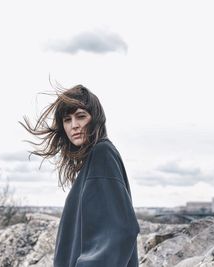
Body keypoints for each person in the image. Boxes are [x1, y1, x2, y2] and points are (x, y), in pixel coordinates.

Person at [19, 84, 140, 267]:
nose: (74, 125)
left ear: (95, 119)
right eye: (67, 120)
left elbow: (120, 230)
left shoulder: (102, 154)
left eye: (81, 116)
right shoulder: (94, 159)